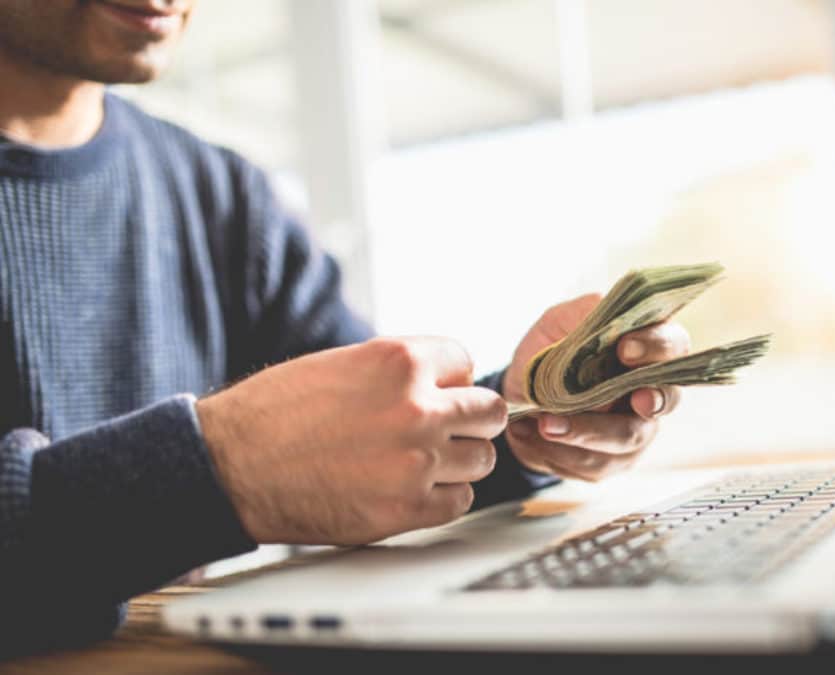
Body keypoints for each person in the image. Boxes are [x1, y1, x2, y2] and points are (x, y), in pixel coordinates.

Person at [0, 0, 689, 653]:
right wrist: (216, 471)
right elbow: (243, 467)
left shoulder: (221, 194)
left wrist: (526, 413)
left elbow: (379, 441)